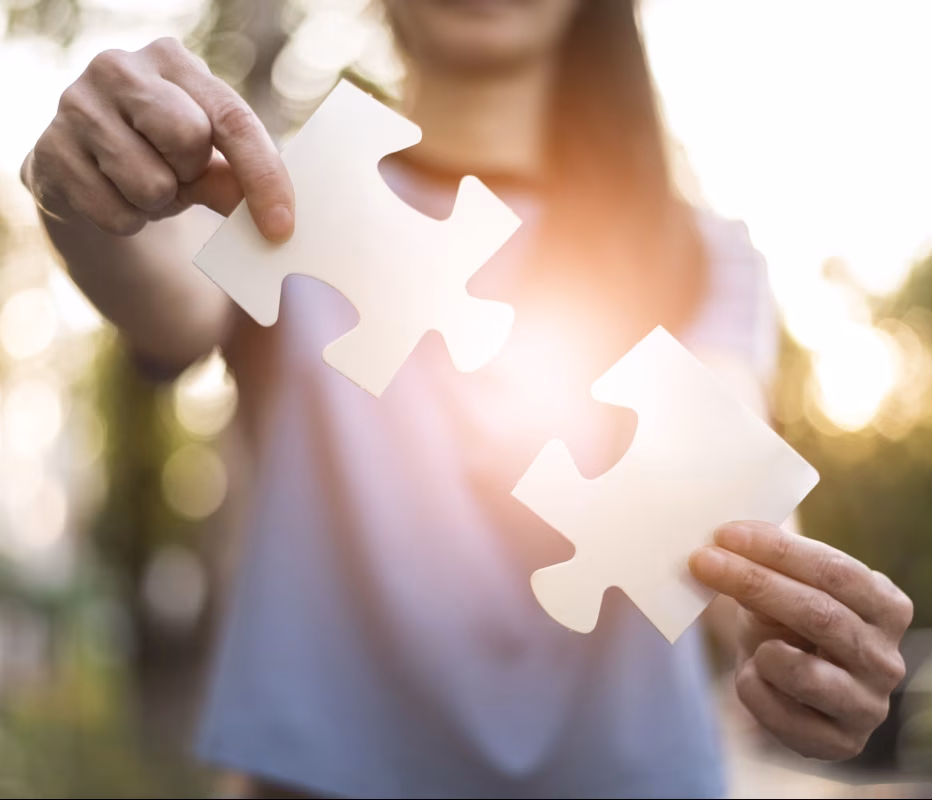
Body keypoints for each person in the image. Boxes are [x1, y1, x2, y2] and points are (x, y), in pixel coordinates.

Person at [21, 1, 913, 797]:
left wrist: (797, 629)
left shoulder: (705, 253)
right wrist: (82, 190)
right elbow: (161, 295)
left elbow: (728, 497)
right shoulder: (276, 188)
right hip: (319, 779)